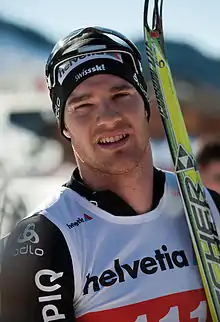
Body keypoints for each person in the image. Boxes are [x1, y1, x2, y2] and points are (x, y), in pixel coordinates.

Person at [0, 27, 220, 322]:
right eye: (83, 105)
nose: (108, 117)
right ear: (64, 126)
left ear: (145, 106)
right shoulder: (43, 243)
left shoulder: (207, 210)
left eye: (121, 95)